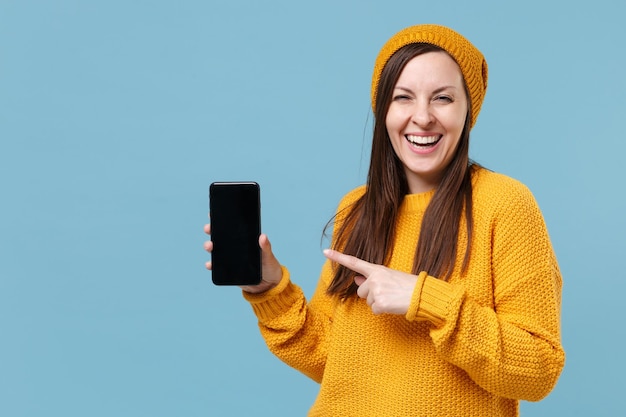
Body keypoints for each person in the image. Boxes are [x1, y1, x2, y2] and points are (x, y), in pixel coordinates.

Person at [204, 23, 565, 416]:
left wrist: (425, 299)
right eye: (403, 98)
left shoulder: (505, 203)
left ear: (468, 110)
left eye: (442, 98)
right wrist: (270, 291)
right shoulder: (357, 209)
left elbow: (538, 370)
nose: (422, 117)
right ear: (384, 109)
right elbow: (331, 358)